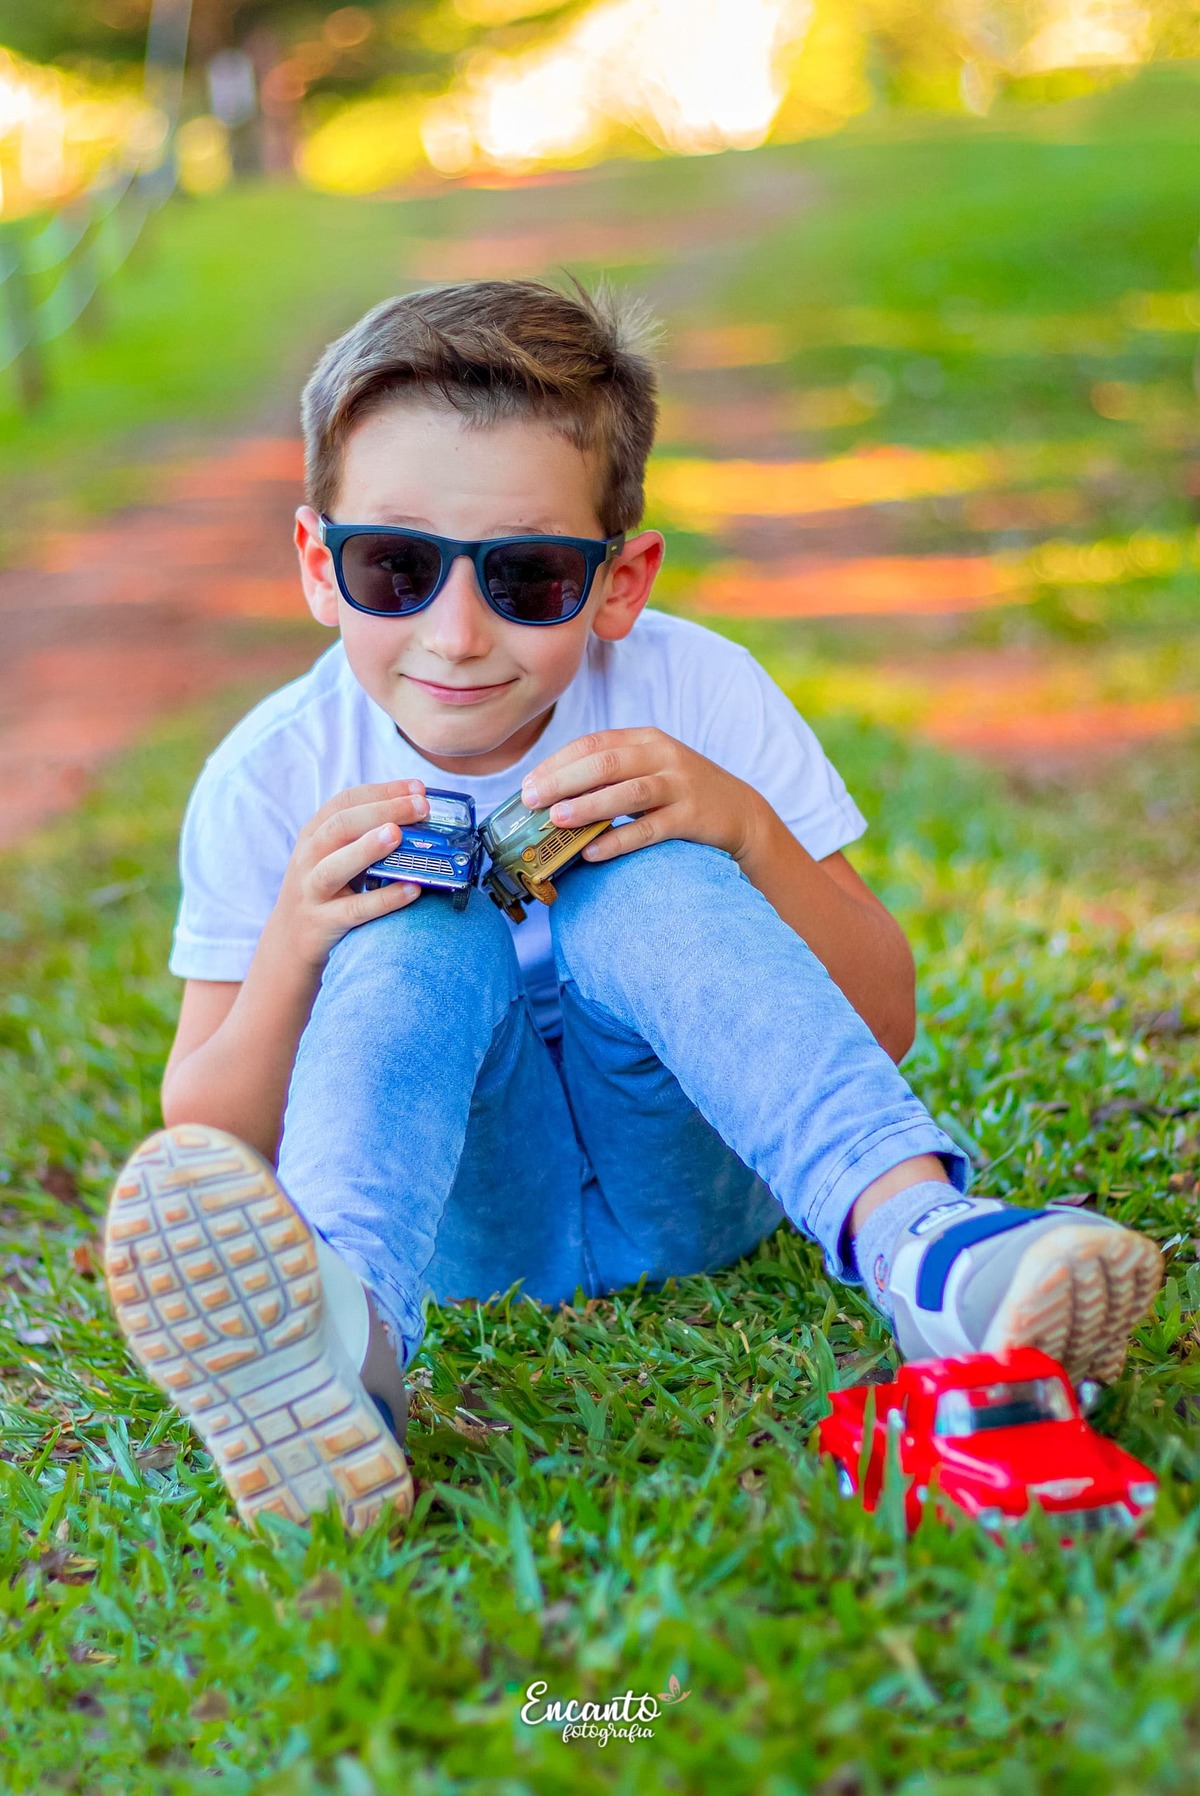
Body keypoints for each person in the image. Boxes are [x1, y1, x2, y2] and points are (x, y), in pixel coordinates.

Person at [103, 279, 1162, 1532]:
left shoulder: (697, 691)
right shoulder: (272, 774)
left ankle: (928, 1244)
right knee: (410, 927)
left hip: (693, 1185)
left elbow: (883, 1013)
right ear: (317, 566)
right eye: (395, 565)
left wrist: (746, 829)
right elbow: (210, 1128)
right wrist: (294, 940)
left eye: (531, 577)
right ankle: (348, 1345)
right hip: (460, 1222)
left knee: (649, 868)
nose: (455, 632)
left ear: (620, 580)